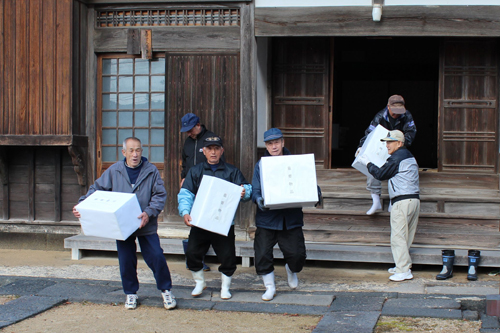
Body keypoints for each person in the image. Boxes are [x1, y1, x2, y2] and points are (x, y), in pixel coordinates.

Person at [72, 137, 176, 310]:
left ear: (142, 152)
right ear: (124, 152)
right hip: (122, 225)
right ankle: (130, 293)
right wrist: (82, 204)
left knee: (156, 256)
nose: (135, 154)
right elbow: (96, 189)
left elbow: (159, 195)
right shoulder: (114, 170)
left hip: (146, 223)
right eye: (131, 150)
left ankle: (166, 290)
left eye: (138, 150)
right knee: (126, 260)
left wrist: (148, 212)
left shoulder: (151, 171)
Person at [178, 136, 252, 300]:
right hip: (200, 221)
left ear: (222, 151)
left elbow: (247, 189)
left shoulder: (232, 171)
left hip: (223, 223)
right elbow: (186, 194)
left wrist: (244, 191)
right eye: (209, 149)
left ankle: (225, 287)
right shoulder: (195, 171)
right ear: (204, 151)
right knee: (192, 252)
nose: (213, 152)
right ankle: (199, 282)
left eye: (217, 148)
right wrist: (185, 211)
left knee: (227, 256)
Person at [251, 128, 319, 301]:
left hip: (291, 218)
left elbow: (308, 182)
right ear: (266, 146)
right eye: (270, 143)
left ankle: (291, 270)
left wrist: (315, 192)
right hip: (267, 218)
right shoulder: (261, 165)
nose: (274, 146)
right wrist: (259, 199)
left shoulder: (296, 163)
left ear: (283, 142)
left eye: (276, 142)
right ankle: (270, 287)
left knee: (297, 256)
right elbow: (256, 190)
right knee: (262, 254)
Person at [358, 130, 420, 282]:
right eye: (386, 142)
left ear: (399, 143)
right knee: (406, 236)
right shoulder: (408, 156)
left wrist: (366, 162)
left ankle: (403, 270)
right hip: (414, 200)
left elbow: (380, 174)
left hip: (402, 202)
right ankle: (403, 265)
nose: (387, 145)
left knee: (398, 237)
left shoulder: (397, 157)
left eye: (390, 142)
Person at [356, 95, 417, 215]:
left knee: (395, 170)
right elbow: (370, 132)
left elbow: (411, 131)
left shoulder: (406, 115)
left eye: (399, 111)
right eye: (394, 112)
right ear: (388, 107)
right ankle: (376, 200)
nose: (396, 114)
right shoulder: (380, 116)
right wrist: (361, 146)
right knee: (372, 167)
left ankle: (392, 201)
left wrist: (401, 143)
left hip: (398, 146)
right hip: (381, 145)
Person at [180, 112, 219, 271]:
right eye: (186, 130)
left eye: (190, 129)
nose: (188, 133)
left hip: (208, 185)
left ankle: (198, 258)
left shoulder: (210, 139)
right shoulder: (188, 142)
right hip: (192, 185)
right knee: (193, 220)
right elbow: (185, 163)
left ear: (198, 125)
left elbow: (218, 162)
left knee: (206, 221)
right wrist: (183, 178)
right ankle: (194, 261)